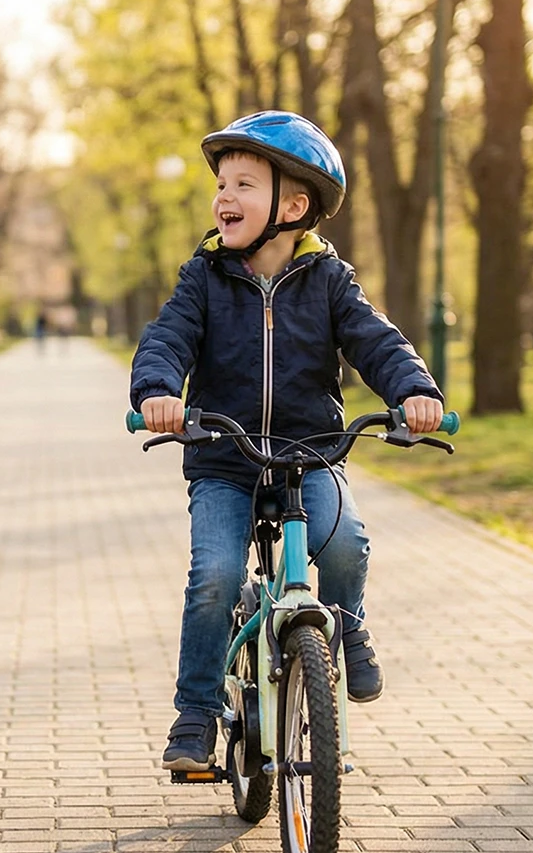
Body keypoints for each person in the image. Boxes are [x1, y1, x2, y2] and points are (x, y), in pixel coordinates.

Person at [128, 110, 445, 772]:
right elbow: (169, 335)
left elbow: (375, 341)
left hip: (310, 456)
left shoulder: (329, 280)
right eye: (222, 184)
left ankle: (348, 622)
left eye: (244, 183)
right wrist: (159, 390)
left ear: (293, 205)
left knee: (347, 543)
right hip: (226, 457)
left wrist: (414, 392)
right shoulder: (204, 277)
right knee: (214, 576)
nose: (224, 197)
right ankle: (196, 712)